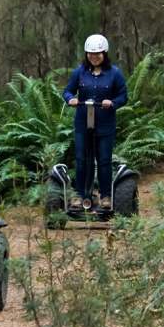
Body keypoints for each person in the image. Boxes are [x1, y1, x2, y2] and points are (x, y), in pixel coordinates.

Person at [62, 34, 127, 211]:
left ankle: (106, 196)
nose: (94, 57)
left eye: (97, 54)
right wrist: (70, 99)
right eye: (90, 54)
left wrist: (113, 103)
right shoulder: (79, 73)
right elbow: (67, 91)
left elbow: (123, 96)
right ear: (86, 54)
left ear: (104, 53)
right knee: (82, 159)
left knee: (104, 160)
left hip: (105, 125)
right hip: (83, 124)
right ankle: (81, 195)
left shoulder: (114, 73)